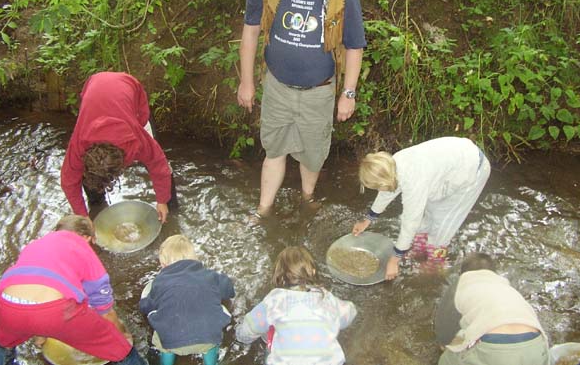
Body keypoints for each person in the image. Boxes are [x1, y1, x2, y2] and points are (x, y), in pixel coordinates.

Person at [236, 0, 366, 218]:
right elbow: (251, 32)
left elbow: (354, 46)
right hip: (277, 88)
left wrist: (348, 93)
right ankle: (263, 209)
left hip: (319, 92)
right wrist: (246, 81)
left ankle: (306, 198)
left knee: (313, 153)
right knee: (274, 149)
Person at [0, 215, 146, 365]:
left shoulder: (35, 245)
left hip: (6, 303)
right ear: (87, 238)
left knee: (3, 344)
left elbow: (32, 291)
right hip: (54, 312)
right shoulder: (82, 250)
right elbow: (106, 312)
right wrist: (121, 335)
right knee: (120, 348)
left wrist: (39, 334)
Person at [353, 136, 491, 279]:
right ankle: (420, 250)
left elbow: (410, 222)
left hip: (472, 170)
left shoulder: (413, 181)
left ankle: (435, 264)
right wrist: (368, 220)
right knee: (428, 217)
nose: (377, 189)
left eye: (376, 186)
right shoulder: (392, 165)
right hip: (447, 168)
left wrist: (394, 259)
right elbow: (386, 192)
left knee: (443, 225)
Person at [61, 71, 176, 222]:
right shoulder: (79, 143)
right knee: (89, 176)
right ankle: (97, 205)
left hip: (130, 89)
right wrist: (82, 216)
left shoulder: (138, 140)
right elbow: (68, 181)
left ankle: (171, 207)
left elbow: (158, 164)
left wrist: (162, 200)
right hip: (93, 85)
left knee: (157, 162)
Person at [235, 246, 357, 365]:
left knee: (268, 330)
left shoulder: (274, 300)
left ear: (279, 277)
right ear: (313, 271)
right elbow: (349, 314)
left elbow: (247, 331)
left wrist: (238, 334)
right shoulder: (325, 297)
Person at [436, 253, 549, 365]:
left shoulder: (461, 286)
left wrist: (446, 346)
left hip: (495, 346)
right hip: (537, 345)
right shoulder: (506, 287)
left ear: (462, 273)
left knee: (447, 359)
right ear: (494, 272)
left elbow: (444, 330)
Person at [139, 235, 235, 365]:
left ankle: (166, 361)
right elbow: (229, 290)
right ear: (194, 259)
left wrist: (144, 303)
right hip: (207, 337)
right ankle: (210, 362)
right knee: (212, 340)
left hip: (170, 341)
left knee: (162, 338)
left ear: (163, 264)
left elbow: (147, 306)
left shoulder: (159, 282)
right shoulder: (210, 276)